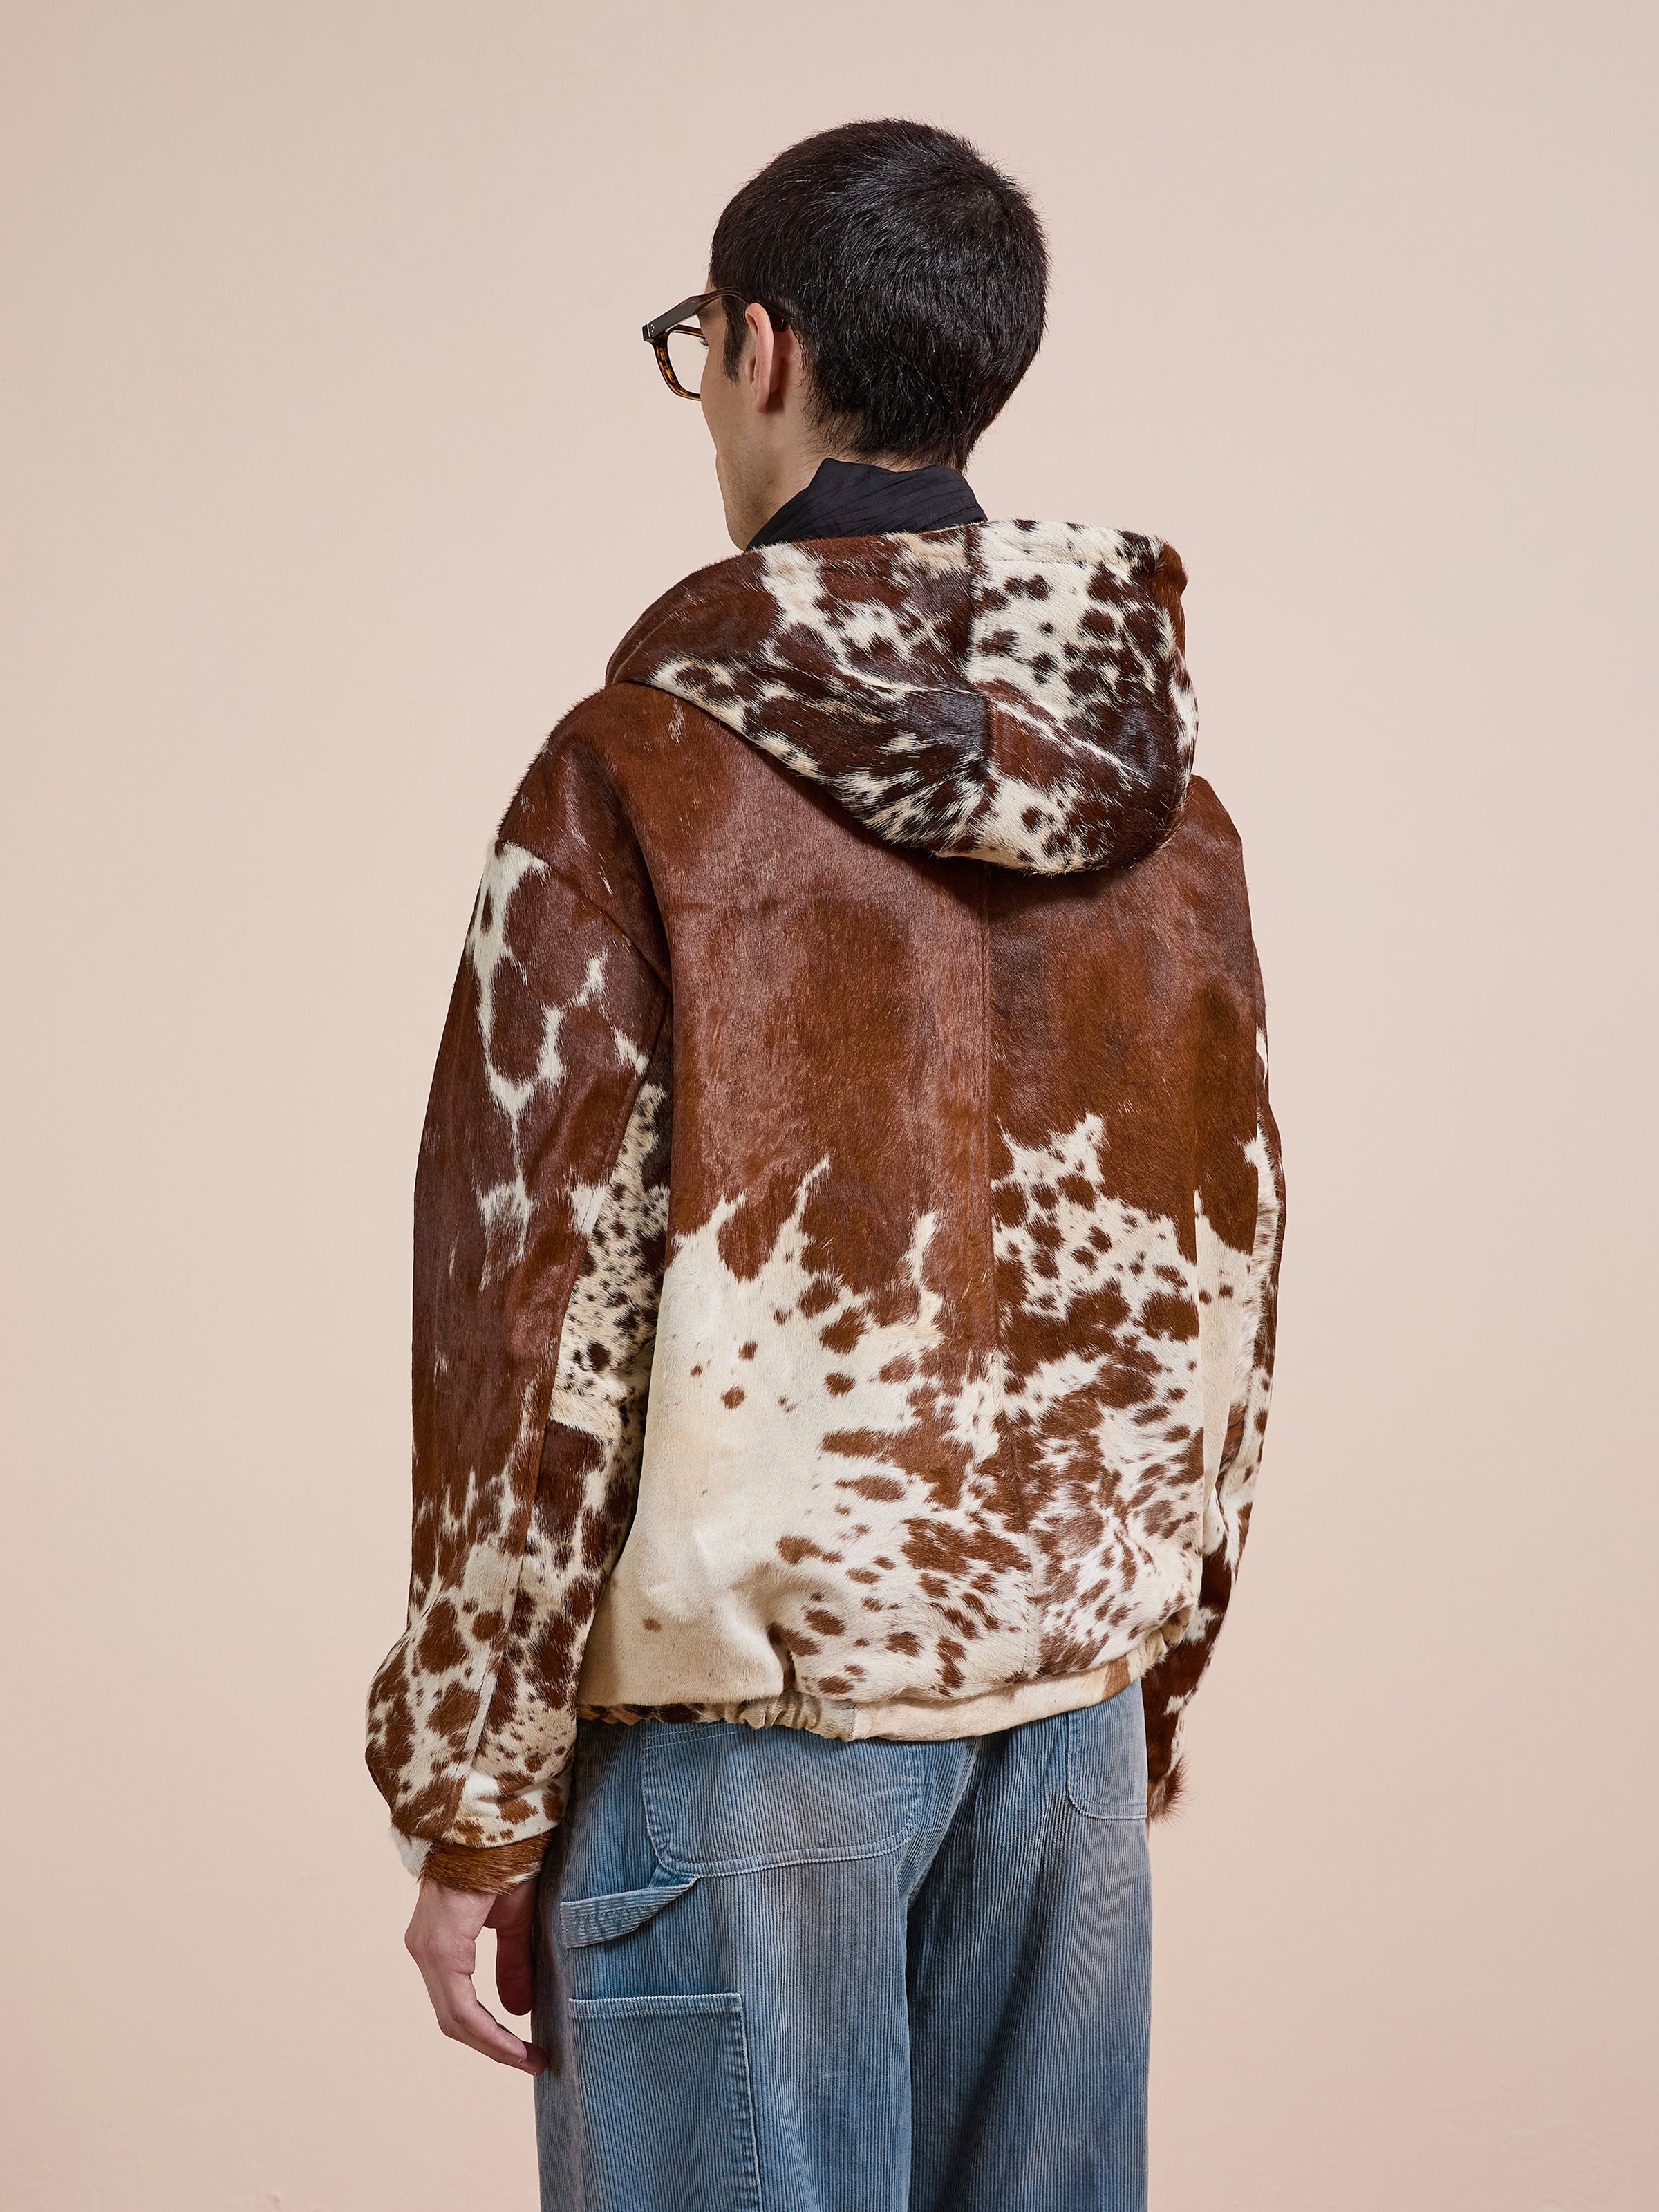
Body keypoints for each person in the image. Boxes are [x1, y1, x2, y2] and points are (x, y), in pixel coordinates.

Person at [367, 117, 1285, 2212]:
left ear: (758, 349)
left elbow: (533, 1319)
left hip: (746, 1748)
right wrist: (1142, 1680)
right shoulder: (1169, 811)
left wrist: (475, 1802)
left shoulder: (637, 776)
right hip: (1060, 1735)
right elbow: (1231, 1260)